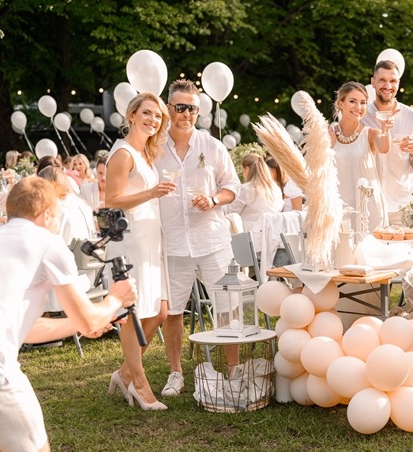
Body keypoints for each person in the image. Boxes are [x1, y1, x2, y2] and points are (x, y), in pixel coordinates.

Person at [0, 176, 137, 452]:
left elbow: (31, 328)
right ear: (46, 215)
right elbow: (88, 317)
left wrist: (87, 324)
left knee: (10, 442)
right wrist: (116, 300)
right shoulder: (46, 242)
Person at [156, 79, 240, 397]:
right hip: (173, 241)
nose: (186, 113)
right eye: (180, 107)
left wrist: (214, 199)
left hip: (211, 239)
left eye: (192, 108)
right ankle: (176, 372)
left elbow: (233, 186)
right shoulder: (153, 147)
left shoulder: (212, 146)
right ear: (168, 109)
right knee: (174, 310)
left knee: (227, 304)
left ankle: (233, 368)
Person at [105, 92, 175, 411]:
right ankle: (141, 386)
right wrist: (151, 193)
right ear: (132, 115)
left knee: (159, 311)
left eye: (158, 116)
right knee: (131, 316)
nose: (153, 120)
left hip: (150, 240)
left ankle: (124, 373)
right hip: (130, 241)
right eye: (147, 113)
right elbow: (112, 200)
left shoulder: (145, 152)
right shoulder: (123, 154)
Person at [363, 60, 413, 224]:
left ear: (398, 83)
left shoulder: (411, 116)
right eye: (382, 80)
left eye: (393, 81)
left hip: (402, 206)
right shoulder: (361, 116)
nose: (388, 85)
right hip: (369, 205)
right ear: (373, 82)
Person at [330, 81, 391, 231]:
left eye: (363, 102)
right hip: (339, 207)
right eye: (352, 101)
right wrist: (327, 145)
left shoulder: (371, 133)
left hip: (369, 208)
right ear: (340, 104)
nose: (358, 107)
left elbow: (384, 148)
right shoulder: (329, 133)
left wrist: (386, 130)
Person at [223, 153, 284, 231]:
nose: (243, 173)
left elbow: (229, 211)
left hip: (249, 236)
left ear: (247, 169)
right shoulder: (276, 189)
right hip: (271, 234)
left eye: (243, 170)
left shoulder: (247, 189)